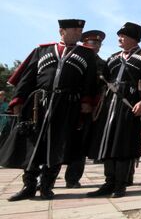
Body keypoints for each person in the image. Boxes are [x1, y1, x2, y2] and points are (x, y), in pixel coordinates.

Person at [2, 19, 96, 201]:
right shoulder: (42, 50)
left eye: (80, 30)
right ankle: (28, 186)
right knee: (33, 145)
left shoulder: (86, 54)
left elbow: (90, 82)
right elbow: (27, 78)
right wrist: (18, 100)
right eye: (75, 29)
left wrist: (86, 101)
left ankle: (46, 186)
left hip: (67, 105)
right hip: (38, 105)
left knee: (57, 145)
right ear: (62, 31)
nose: (79, 33)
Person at [87, 22, 141, 198]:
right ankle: (108, 182)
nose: (119, 38)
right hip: (110, 104)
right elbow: (101, 80)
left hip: (130, 104)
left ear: (133, 38)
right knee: (108, 143)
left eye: (123, 35)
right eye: (119, 35)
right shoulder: (113, 57)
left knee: (123, 144)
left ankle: (120, 184)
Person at [65, 30, 108, 189]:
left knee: (81, 144)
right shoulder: (73, 56)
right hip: (68, 104)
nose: (96, 46)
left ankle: (73, 178)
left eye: (98, 43)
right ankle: (46, 178)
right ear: (84, 43)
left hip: (89, 108)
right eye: (92, 42)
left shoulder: (103, 64)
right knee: (58, 140)